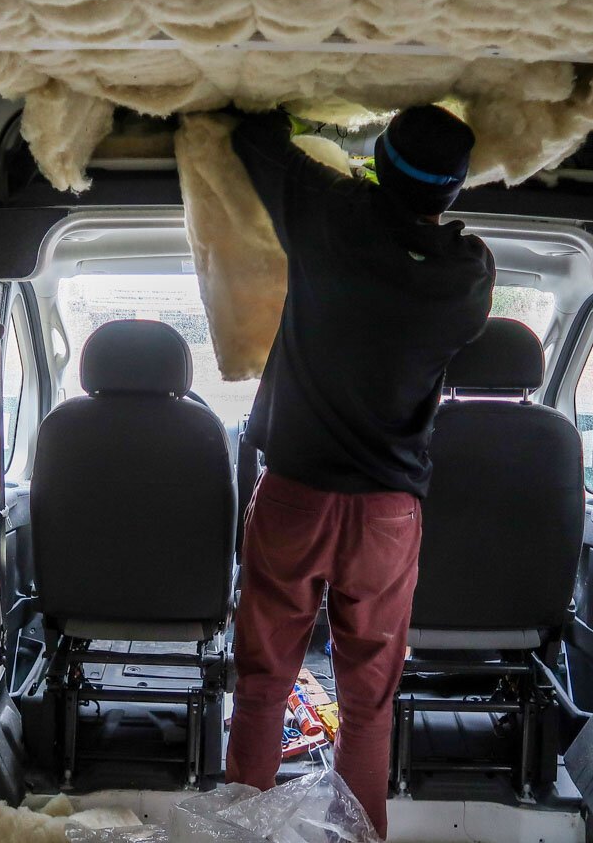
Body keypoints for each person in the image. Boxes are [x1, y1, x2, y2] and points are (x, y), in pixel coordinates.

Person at [223, 105, 495, 836]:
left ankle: (237, 830)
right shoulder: (467, 278)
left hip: (294, 497)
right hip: (387, 515)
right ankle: (360, 834)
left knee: (262, 684)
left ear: (377, 159)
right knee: (369, 700)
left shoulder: (328, 214)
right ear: (453, 192)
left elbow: (253, 138)